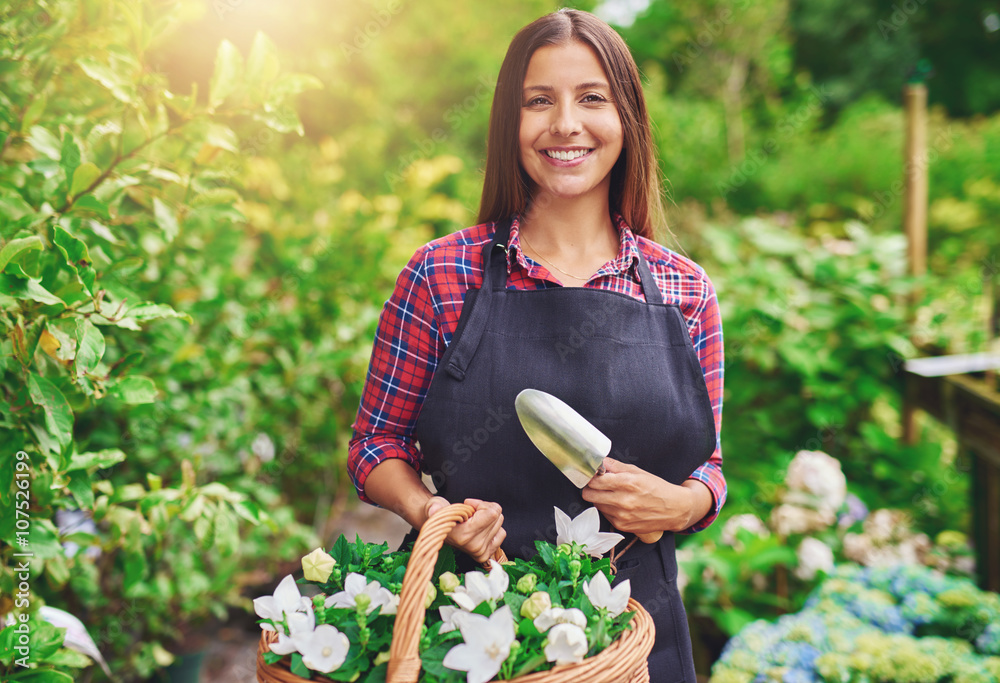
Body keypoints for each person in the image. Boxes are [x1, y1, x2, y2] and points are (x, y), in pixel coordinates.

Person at [347, 8, 725, 680]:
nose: (565, 125)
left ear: (627, 120)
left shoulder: (684, 289)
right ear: (509, 124)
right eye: (538, 101)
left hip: (638, 638)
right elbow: (377, 444)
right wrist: (431, 509)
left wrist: (686, 504)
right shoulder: (441, 275)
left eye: (591, 99)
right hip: (472, 631)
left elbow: (708, 466)